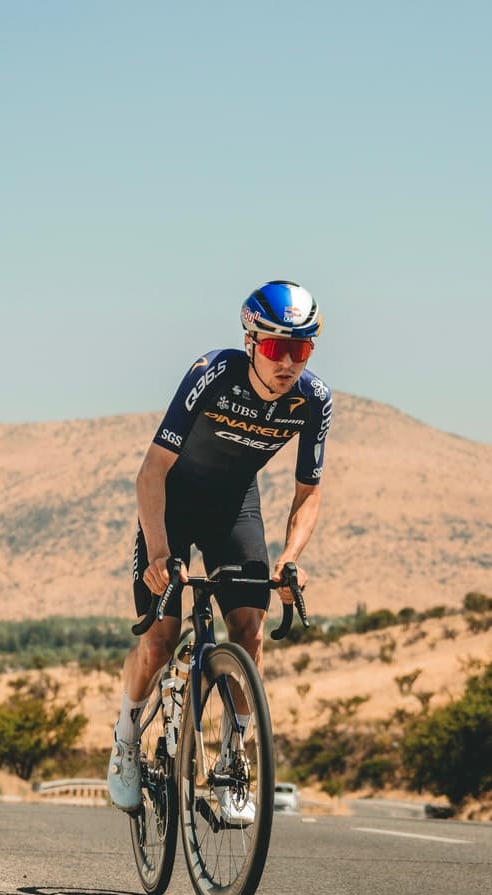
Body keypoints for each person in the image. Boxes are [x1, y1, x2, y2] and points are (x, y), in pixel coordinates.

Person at [108, 280, 333, 822]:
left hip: (235, 506)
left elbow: (309, 493)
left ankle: (233, 759)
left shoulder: (313, 400)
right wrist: (160, 552)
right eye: (279, 348)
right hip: (173, 503)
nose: (288, 363)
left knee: (250, 630)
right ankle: (125, 738)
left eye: (301, 350)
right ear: (252, 342)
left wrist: (289, 558)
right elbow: (151, 472)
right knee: (160, 642)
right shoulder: (213, 373)